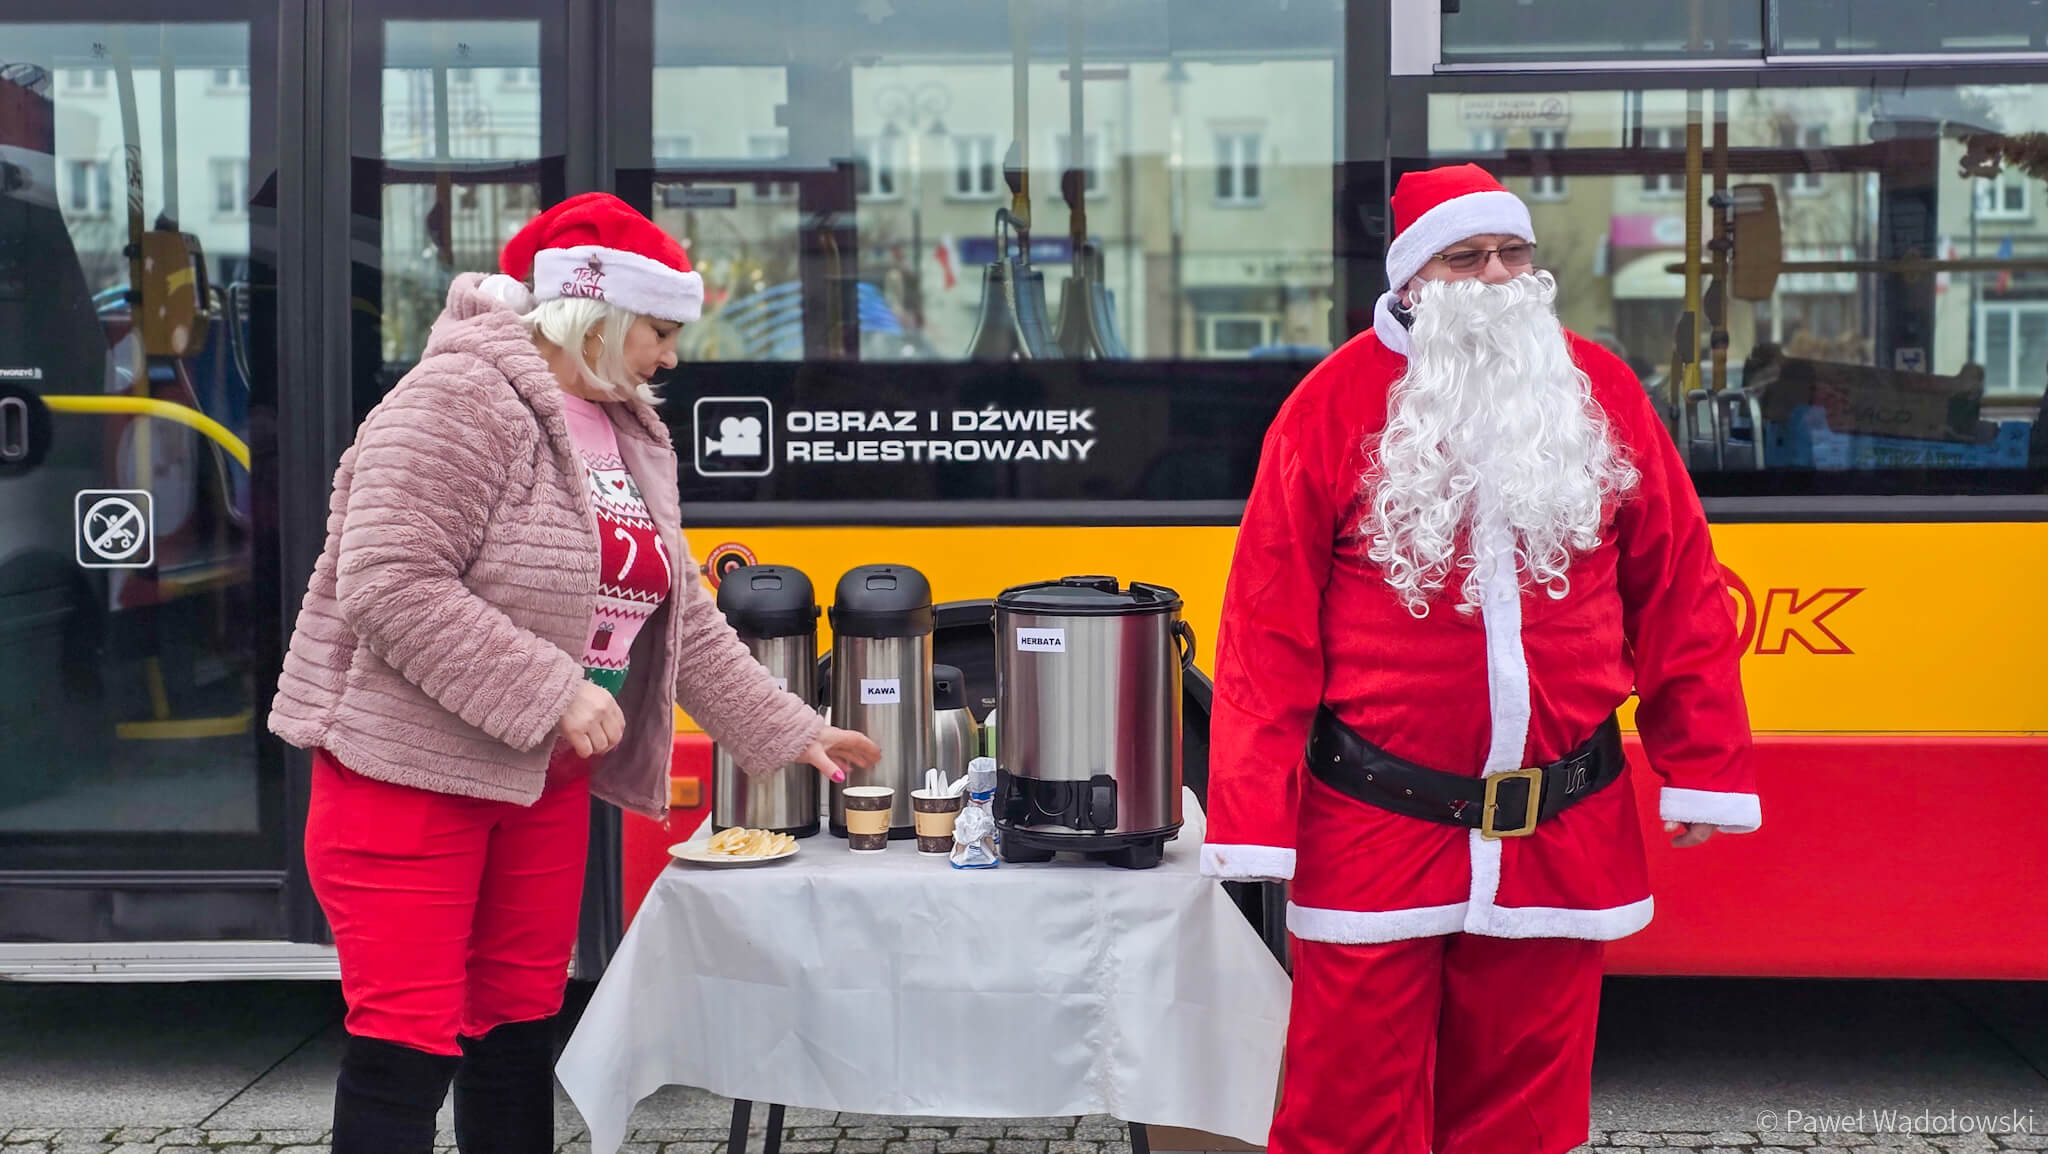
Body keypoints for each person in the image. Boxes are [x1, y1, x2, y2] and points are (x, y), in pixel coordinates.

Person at [269, 192, 882, 1154]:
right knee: (409, 1046)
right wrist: (552, 689)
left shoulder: (622, 424)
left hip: (541, 779)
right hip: (408, 777)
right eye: (661, 330)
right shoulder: (454, 398)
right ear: (592, 315)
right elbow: (386, 582)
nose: (672, 356)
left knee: (517, 1032)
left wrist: (787, 728)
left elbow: (671, 603)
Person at [1201, 164, 1761, 1154]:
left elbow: (1676, 584)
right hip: (1374, 823)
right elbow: (1264, 627)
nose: (1496, 274)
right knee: (1346, 1110)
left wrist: (1701, 766)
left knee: (1523, 1116)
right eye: (1465, 256)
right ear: (1412, 278)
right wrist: (1255, 819)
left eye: (1512, 253)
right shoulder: (1328, 405)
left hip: (1561, 823)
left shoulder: (1598, 388)